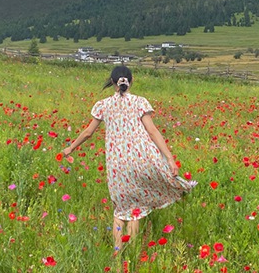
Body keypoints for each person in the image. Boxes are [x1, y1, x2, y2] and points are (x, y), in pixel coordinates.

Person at [62, 65, 197, 252]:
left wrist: (70, 148)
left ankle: (118, 259)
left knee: (121, 209)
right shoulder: (139, 102)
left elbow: (87, 133)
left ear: (112, 82)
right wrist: (170, 159)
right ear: (131, 81)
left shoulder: (104, 105)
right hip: (140, 161)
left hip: (117, 166)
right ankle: (132, 257)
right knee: (135, 210)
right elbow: (152, 131)